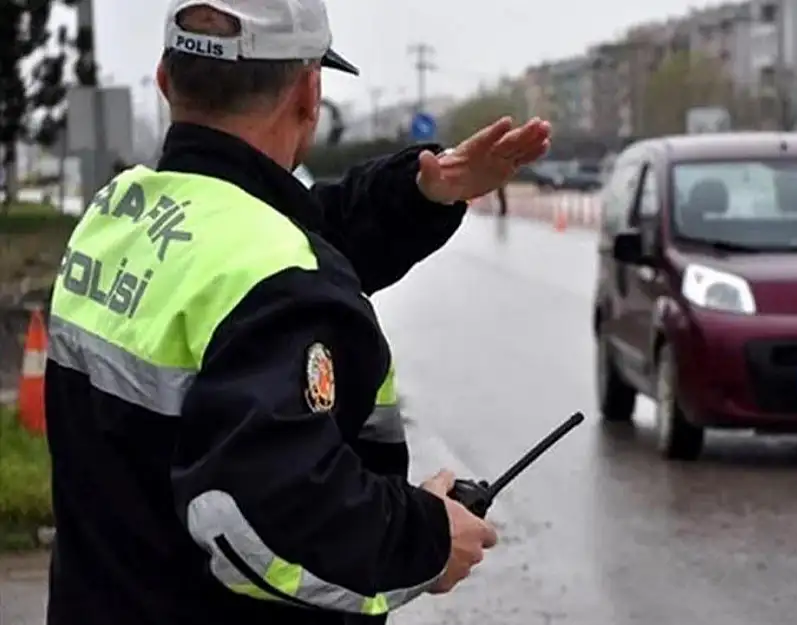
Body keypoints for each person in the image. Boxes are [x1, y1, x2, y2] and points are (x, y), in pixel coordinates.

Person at [42, 1, 551, 625]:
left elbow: (286, 237)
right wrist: (426, 539)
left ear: (165, 79)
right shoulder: (274, 274)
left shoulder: (119, 214)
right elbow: (271, 512)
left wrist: (419, 192)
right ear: (310, 92)